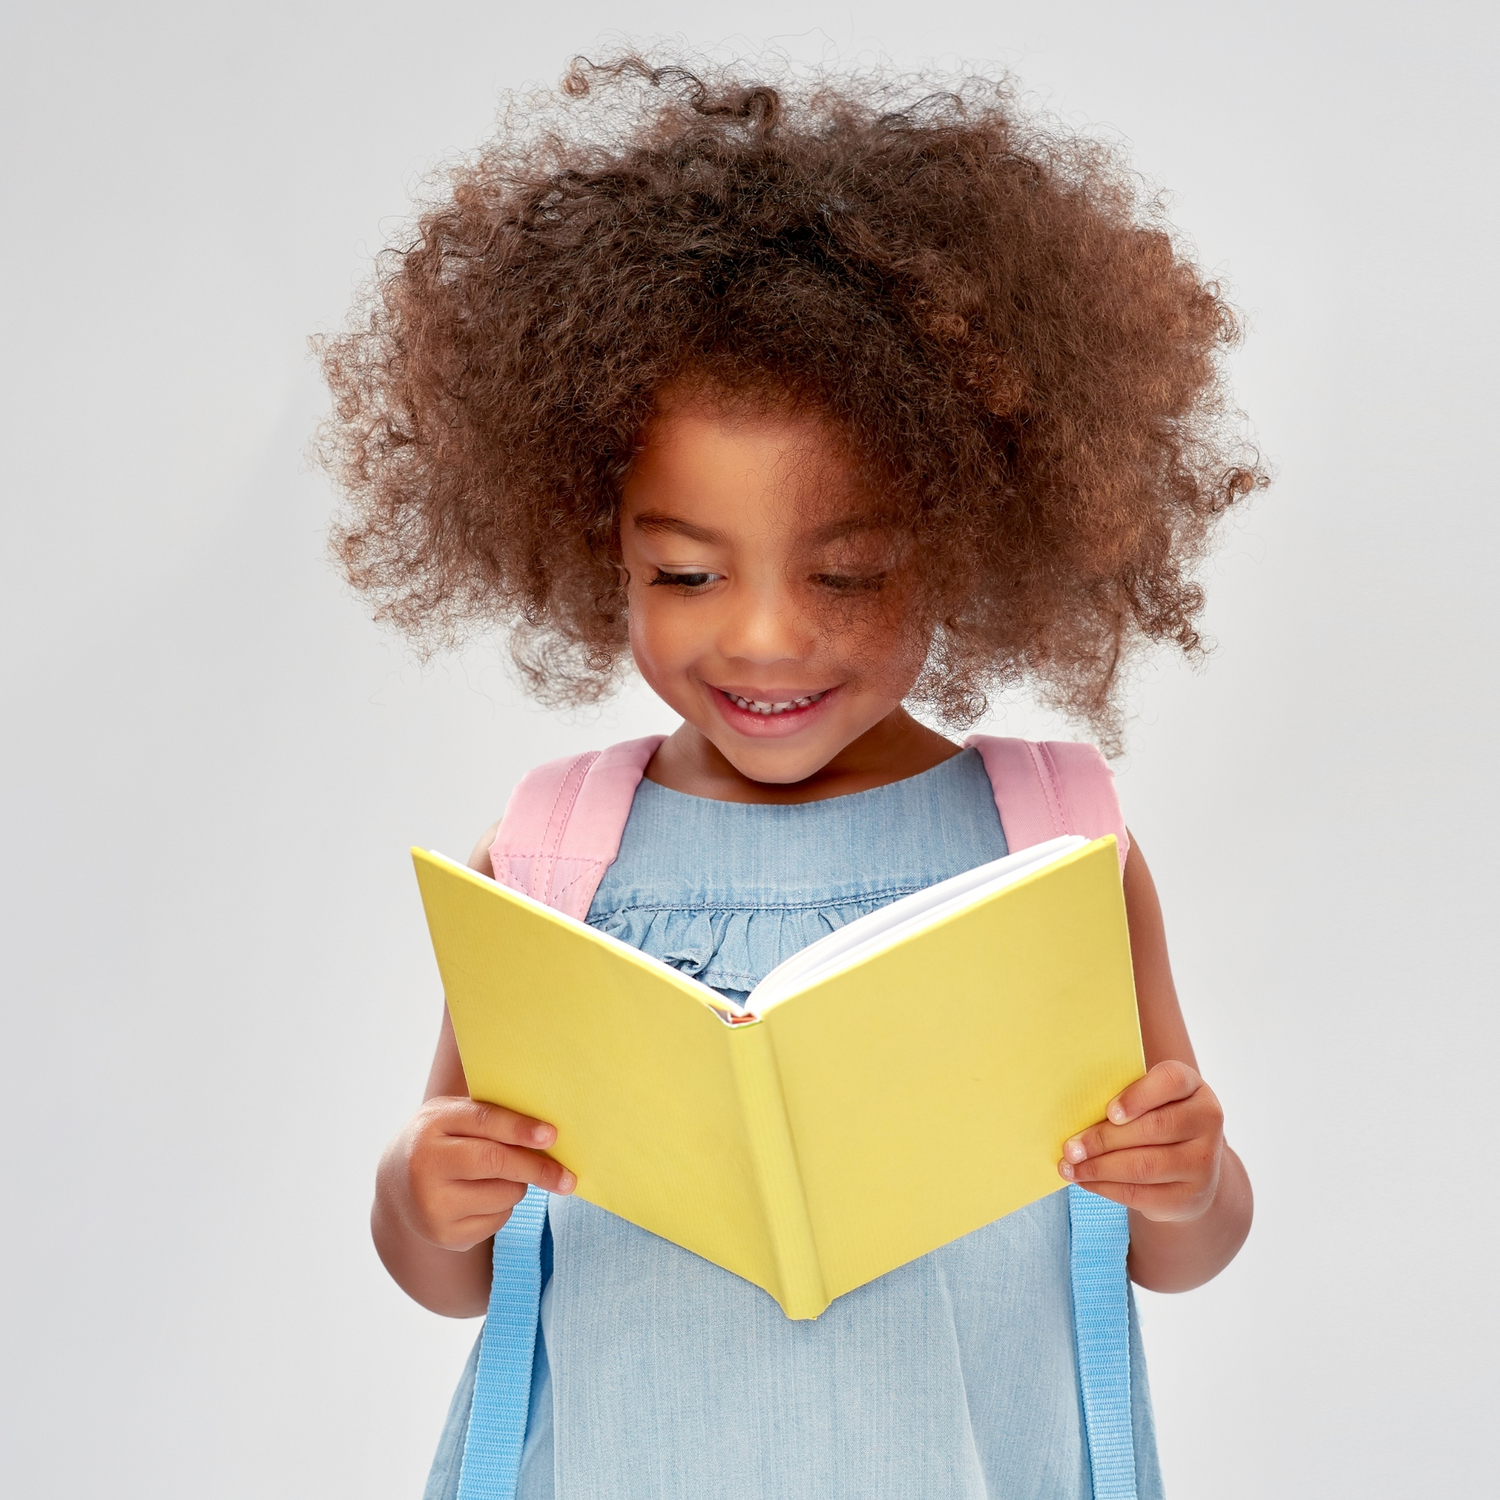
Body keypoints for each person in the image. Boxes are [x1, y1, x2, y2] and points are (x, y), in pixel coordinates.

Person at [318, 53, 1260, 1499]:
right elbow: (456, 1278)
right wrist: (419, 1190)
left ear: (964, 535)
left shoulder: (1057, 843)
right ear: (598, 544)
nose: (763, 635)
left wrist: (1188, 1178)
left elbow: (1174, 1245)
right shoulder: (554, 851)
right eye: (687, 572)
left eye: (849, 571)